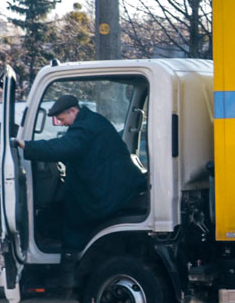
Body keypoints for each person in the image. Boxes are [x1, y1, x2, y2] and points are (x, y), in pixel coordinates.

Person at [15, 94, 146, 252]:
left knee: (74, 218)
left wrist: (26, 145)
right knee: (62, 209)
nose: (62, 124)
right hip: (115, 185)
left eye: (61, 119)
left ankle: (71, 257)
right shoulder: (91, 121)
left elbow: (61, 148)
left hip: (107, 192)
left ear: (72, 111)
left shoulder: (84, 128)